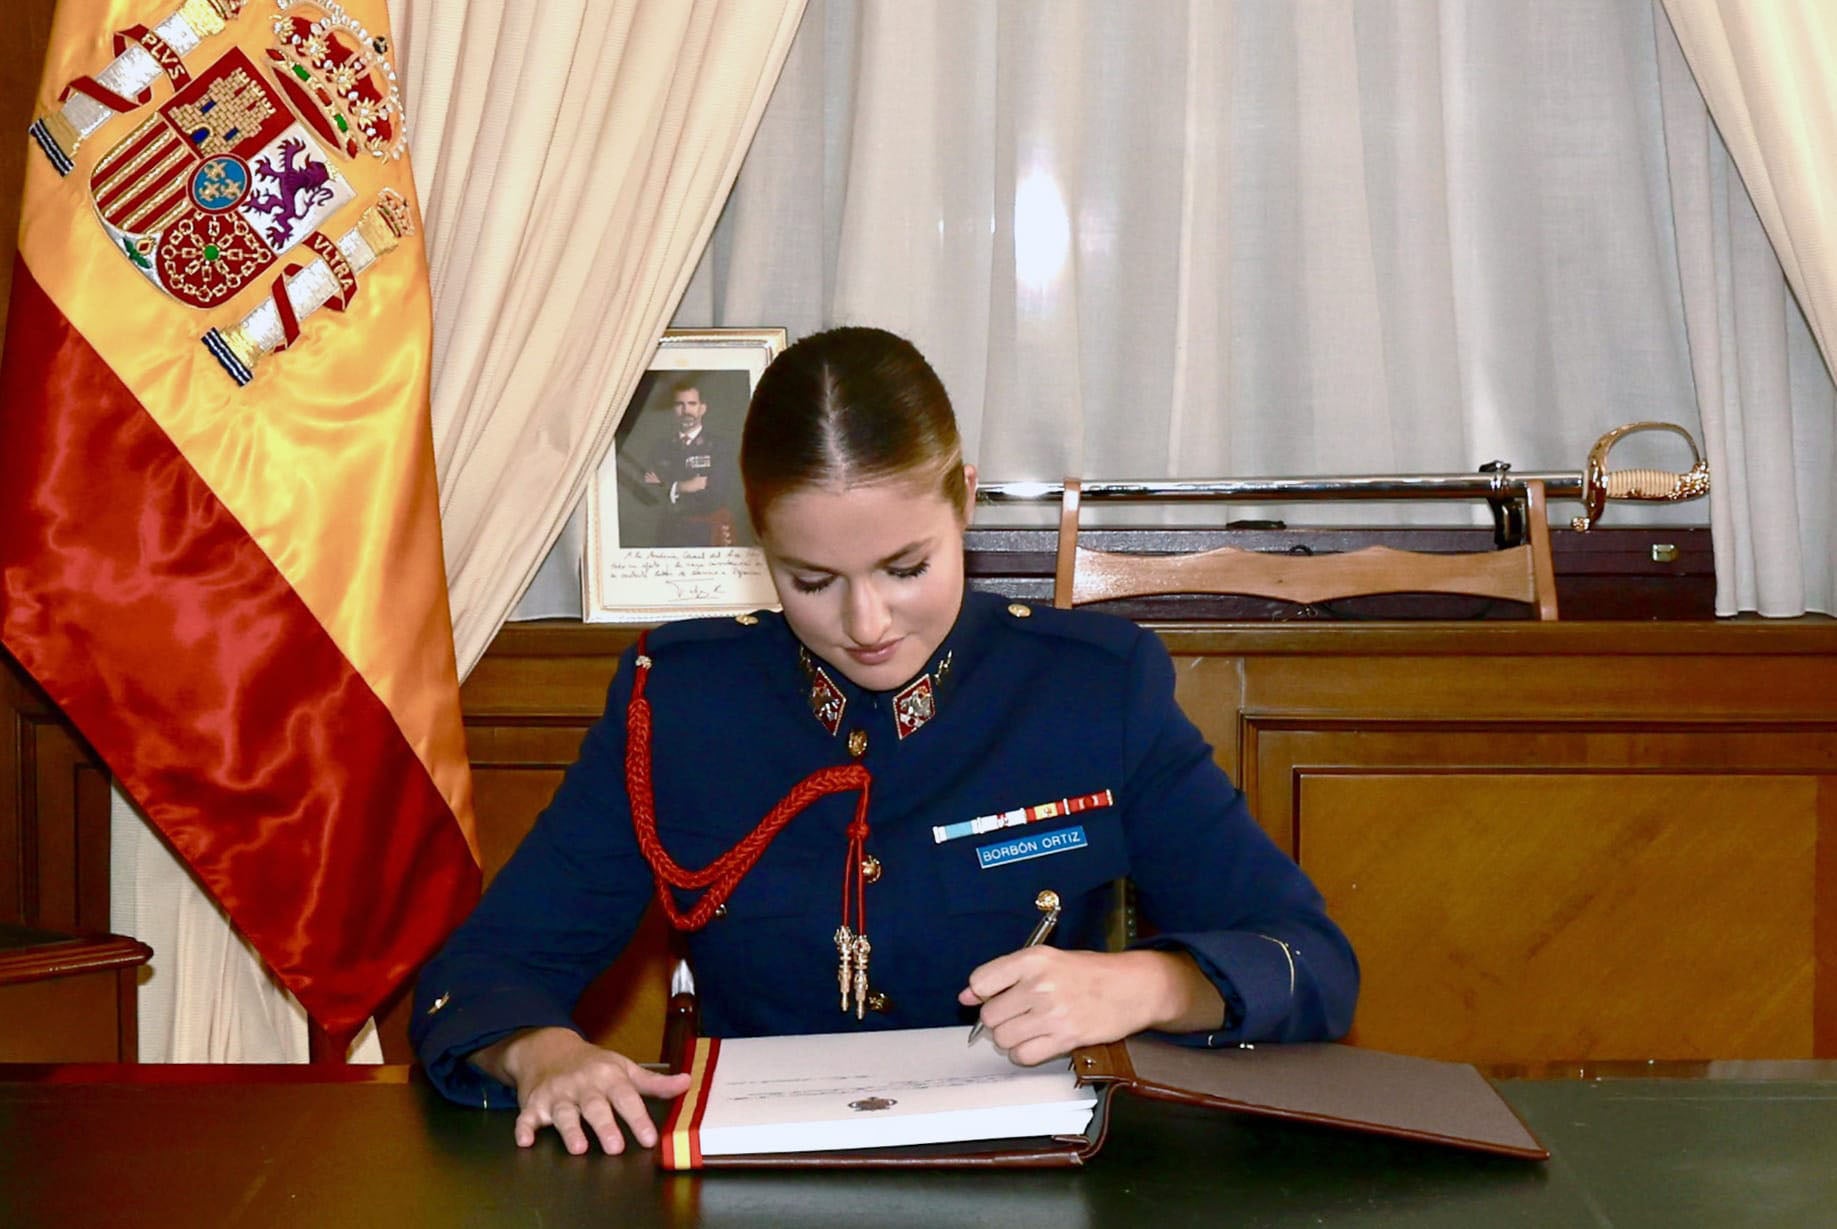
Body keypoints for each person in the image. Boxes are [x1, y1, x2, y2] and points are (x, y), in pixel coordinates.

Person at [412, 326, 1359, 1156]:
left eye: (906, 567)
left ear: (966, 502)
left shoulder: (1087, 689)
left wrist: (1149, 984)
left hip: (1023, 1181)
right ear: (759, 544)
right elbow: (480, 976)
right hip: (764, 1189)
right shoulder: (684, 705)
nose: (867, 623)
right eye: (811, 579)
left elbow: (1310, 962)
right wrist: (546, 1054)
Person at [640, 379, 734, 546]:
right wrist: (682, 486)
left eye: (692, 404)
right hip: (668, 536)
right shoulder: (661, 447)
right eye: (679, 405)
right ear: (673, 410)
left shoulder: (720, 447)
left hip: (706, 535)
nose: (686, 411)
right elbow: (648, 496)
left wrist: (667, 487)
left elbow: (716, 495)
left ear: (702, 408)